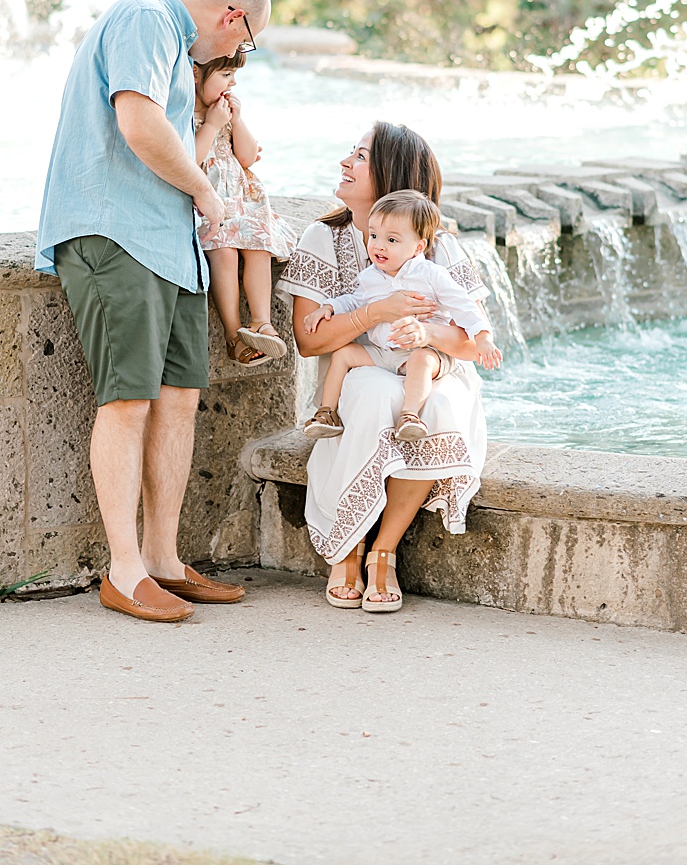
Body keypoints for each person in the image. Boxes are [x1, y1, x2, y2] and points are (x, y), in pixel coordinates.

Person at [35, 0, 271, 623]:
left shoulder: (167, 41)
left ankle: (164, 560)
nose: (235, 58)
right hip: (118, 233)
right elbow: (138, 125)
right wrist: (204, 188)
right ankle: (125, 570)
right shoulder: (143, 19)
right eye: (244, 45)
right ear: (233, 17)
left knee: (177, 399)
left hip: (170, 247)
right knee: (128, 401)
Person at [275, 123, 490, 614]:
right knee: (372, 393)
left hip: (431, 365)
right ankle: (347, 546)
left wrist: (426, 336)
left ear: (393, 174)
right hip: (364, 363)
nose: (345, 163)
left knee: (439, 403)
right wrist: (379, 310)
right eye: (349, 153)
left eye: (360, 157)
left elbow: (472, 341)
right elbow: (309, 341)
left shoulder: (437, 243)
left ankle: (382, 551)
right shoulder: (324, 238)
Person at [302, 189, 500, 445]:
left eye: (392, 240)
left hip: (425, 348)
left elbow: (464, 306)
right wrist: (328, 307)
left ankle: (409, 416)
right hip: (384, 353)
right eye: (373, 236)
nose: (378, 245)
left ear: (418, 247)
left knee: (422, 361)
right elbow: (355, 300)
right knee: (343, 355)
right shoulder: (371, 276)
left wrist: (482, 336)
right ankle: (326, 414)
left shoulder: (431, 275)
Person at [193, 52, 295, 368]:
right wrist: (211, 125)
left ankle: (261, 323)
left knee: (258, 245)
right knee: (224, 251)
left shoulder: (227, 112)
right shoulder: (185, 114)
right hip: (210, 202)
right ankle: (233, 335)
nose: (233, 82)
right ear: (196, 74)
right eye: (225, 74)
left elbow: (247, 157)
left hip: (242, 200)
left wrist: (237, 121)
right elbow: (188, 162)